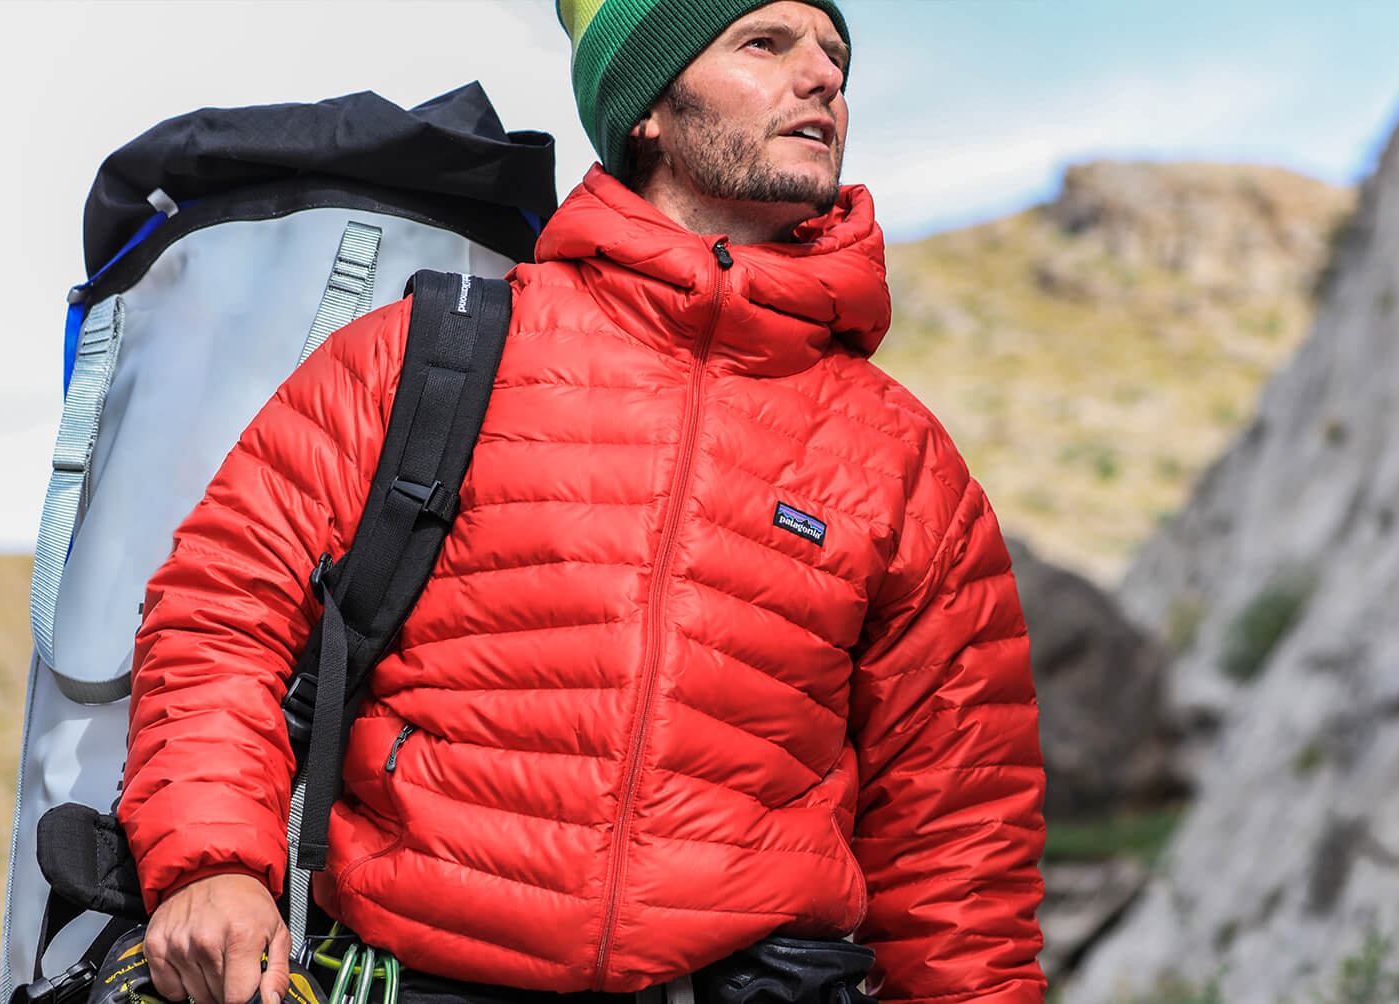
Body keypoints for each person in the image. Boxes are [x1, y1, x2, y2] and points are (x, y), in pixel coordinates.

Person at [117, 2, 1046, 1002]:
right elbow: (223, 608)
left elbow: (959, 834)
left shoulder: (899, 457)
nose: (821, 78)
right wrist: (213, 858)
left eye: (832, 56)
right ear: (645, 107)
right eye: (764, 45)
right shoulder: (425, 354)